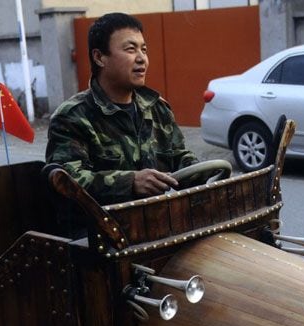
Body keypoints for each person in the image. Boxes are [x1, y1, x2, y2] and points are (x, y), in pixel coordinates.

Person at [45, 12, 198, 205]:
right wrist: (130, 182)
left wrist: (198, 169)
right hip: (101, 229)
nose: (142, 58)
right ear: (100, 57)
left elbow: (177, 156)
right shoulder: (72, 117)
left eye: (144, 50)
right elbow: (66, 180)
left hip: (160, 221)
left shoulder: (157, 108)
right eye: (131, 49)